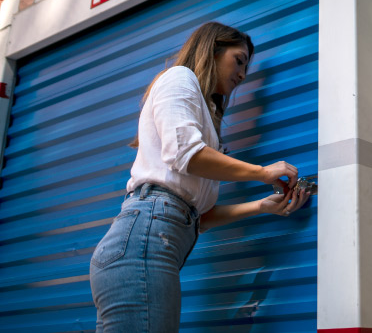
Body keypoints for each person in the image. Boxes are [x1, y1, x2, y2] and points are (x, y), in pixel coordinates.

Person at [89, 22, 310, 332]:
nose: (243, 74)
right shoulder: (180, 78)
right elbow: (186, 155)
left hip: (149, 243)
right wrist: (261, 172)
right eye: (240, 59)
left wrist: (262, 206)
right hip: (143, 243)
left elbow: (199, 217)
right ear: (213, 49)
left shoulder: (202, 110)